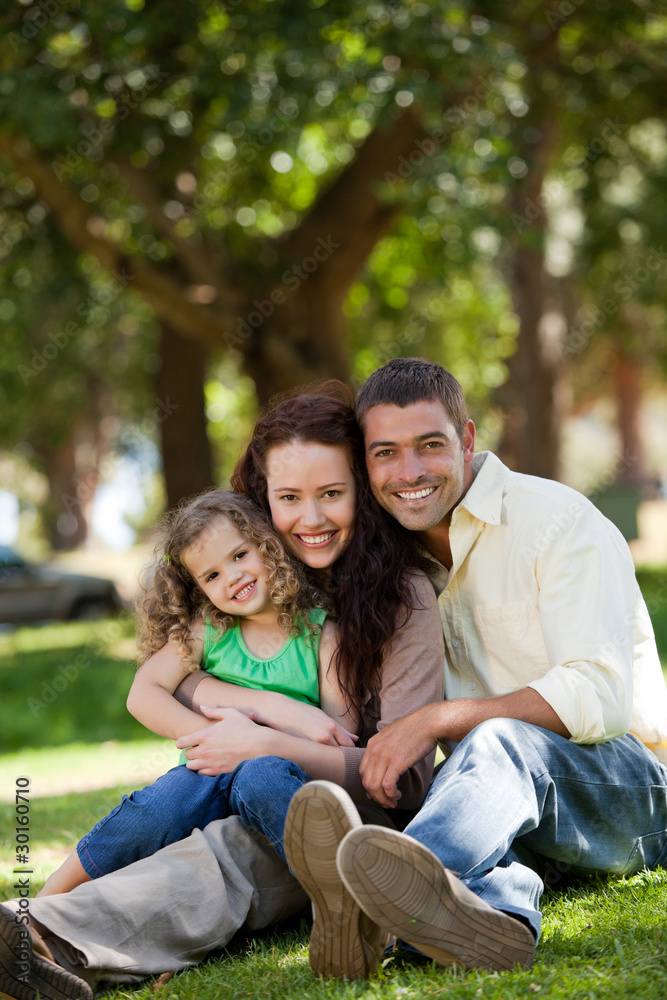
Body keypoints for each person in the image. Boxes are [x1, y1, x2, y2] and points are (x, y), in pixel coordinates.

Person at [0, 387, 444, 999]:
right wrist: (250, 710)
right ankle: (35, 923)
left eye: (332, 494)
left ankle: (360, 908)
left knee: (226, 848)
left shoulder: (380, 608)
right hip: (229, 782)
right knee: (165, 809)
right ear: (264, 509)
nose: (309, 519)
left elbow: (388, 770)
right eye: (289, 498)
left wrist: (256, 740)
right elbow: (158, 685)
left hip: (328, 805)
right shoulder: (219, 622)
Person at [286, 356, 667, 974]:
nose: (408, 473)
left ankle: (367, 910)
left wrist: (437, 719)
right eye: (385, 453)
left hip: (631, 791)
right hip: (512, 803)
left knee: (497, 743)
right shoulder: (387, 560)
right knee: (483, 813)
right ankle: (496, 925)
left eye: (428, 446)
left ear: (466, 440)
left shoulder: (556, 522)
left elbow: (599, 696)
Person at [37, 488, 356, 897]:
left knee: (263, 778)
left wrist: (267, 743)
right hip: (208, 771)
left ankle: (344, 899)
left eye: (240, 556)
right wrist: (209, 737)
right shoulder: (209, 630)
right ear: (199, 589)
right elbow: (143, 694)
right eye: (212, 575)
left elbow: (338, 737)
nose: (233, 577)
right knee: (157, 807)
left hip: (281, 771)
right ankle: (44, 902)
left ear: (268, 544)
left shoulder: (322, 634)